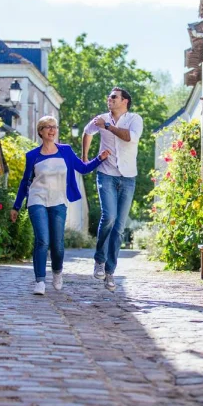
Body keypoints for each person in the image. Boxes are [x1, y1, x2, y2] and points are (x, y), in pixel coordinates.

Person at [11, 116, 110, 296]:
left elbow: (83, 168)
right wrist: (16, 206)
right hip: (37, 199)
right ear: (40, 131)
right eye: (47, 127)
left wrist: (99, 159)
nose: (52, 130)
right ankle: (40, 281)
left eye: (54, 127)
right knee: (42, 240)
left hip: (58, 200)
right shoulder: (32, 155)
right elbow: (25, 182)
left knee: (57, 244)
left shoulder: (65, 151)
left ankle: (57, 272)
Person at [82, 87, 143, 292]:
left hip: (128, 178)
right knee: (109, 216)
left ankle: (110, 273)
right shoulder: (100, 119)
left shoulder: (135, 119)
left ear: (124, 101)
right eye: (109, 96)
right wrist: (85, 158)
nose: (109, 99)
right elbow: (86, 132)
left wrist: (107, 126)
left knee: (118, 227)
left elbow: (129, 137)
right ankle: (99, 260)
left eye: (113, 97)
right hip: (106, 174)